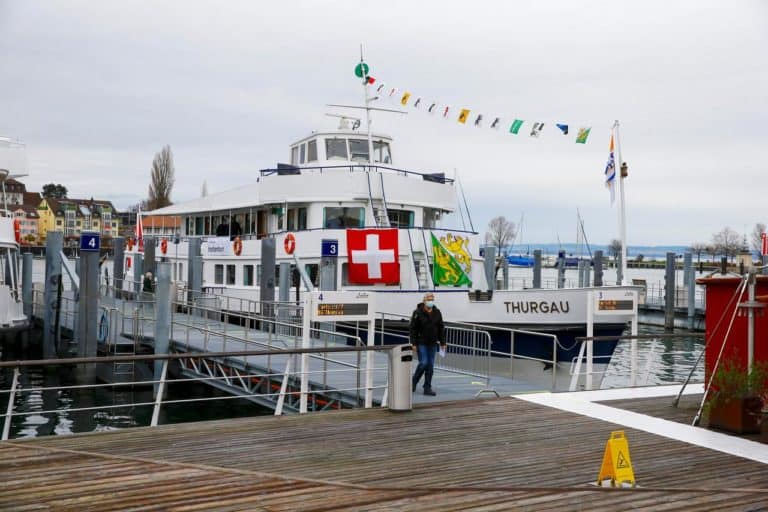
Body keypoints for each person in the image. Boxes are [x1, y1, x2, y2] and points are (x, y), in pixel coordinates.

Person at [409, 292, 446, 396]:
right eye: (429, 299)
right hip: (421, 342)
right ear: (424, 300)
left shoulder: (437, 312)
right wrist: (413, 343)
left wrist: (443, 342)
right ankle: (414, 381)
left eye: (432, 299)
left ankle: (427, 387)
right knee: (424, 363)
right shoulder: (417, 312)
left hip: (433, 343)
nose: (431, 301)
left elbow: (441, 327)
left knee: (430, 366)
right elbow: (413, 329)